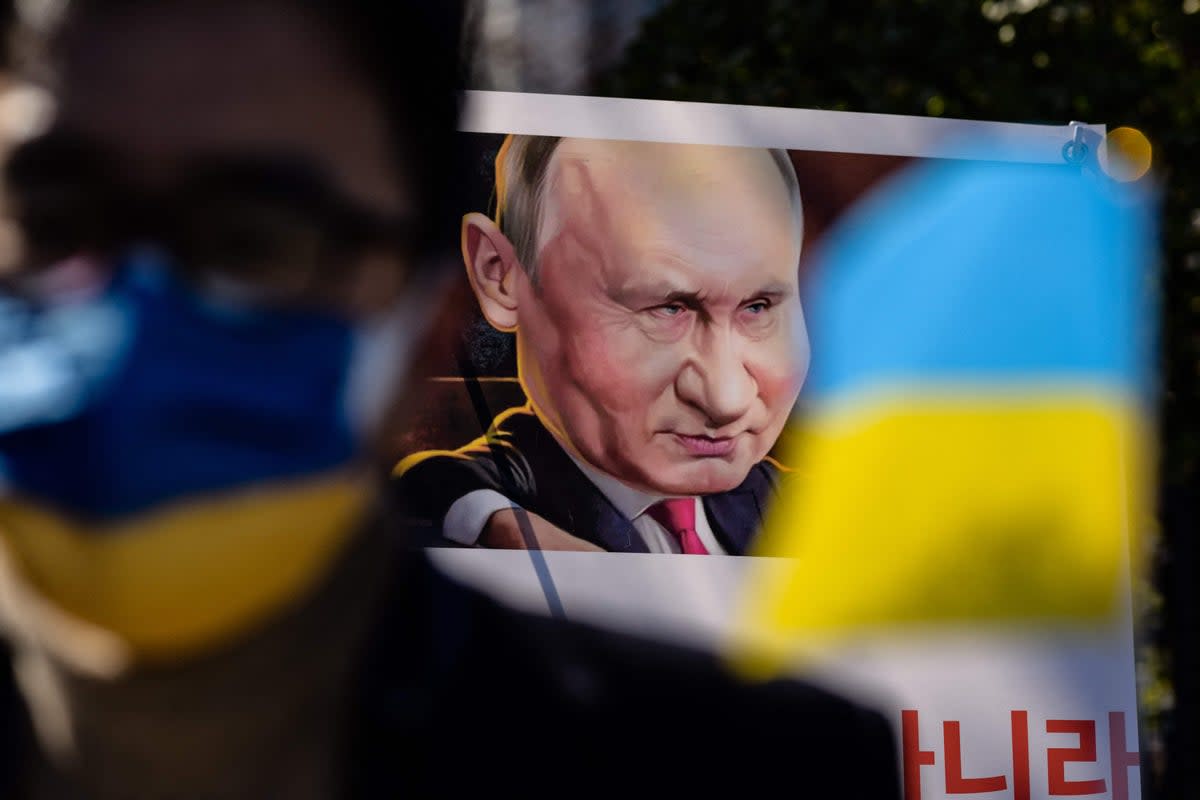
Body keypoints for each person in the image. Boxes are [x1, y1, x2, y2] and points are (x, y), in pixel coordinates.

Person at [0, 1, 901, 798]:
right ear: (492, 282)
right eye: (52, 217)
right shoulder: (484, 490)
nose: (133, 319)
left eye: (257, 241)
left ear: (427, 324)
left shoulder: (756, 768)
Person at [396, 135, 808, 554]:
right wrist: (489, 518)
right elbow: (426, 485)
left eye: (758, 307)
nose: (727, 399)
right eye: (665, 309)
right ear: (499, 274)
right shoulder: (474, 504)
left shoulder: (800, 505)